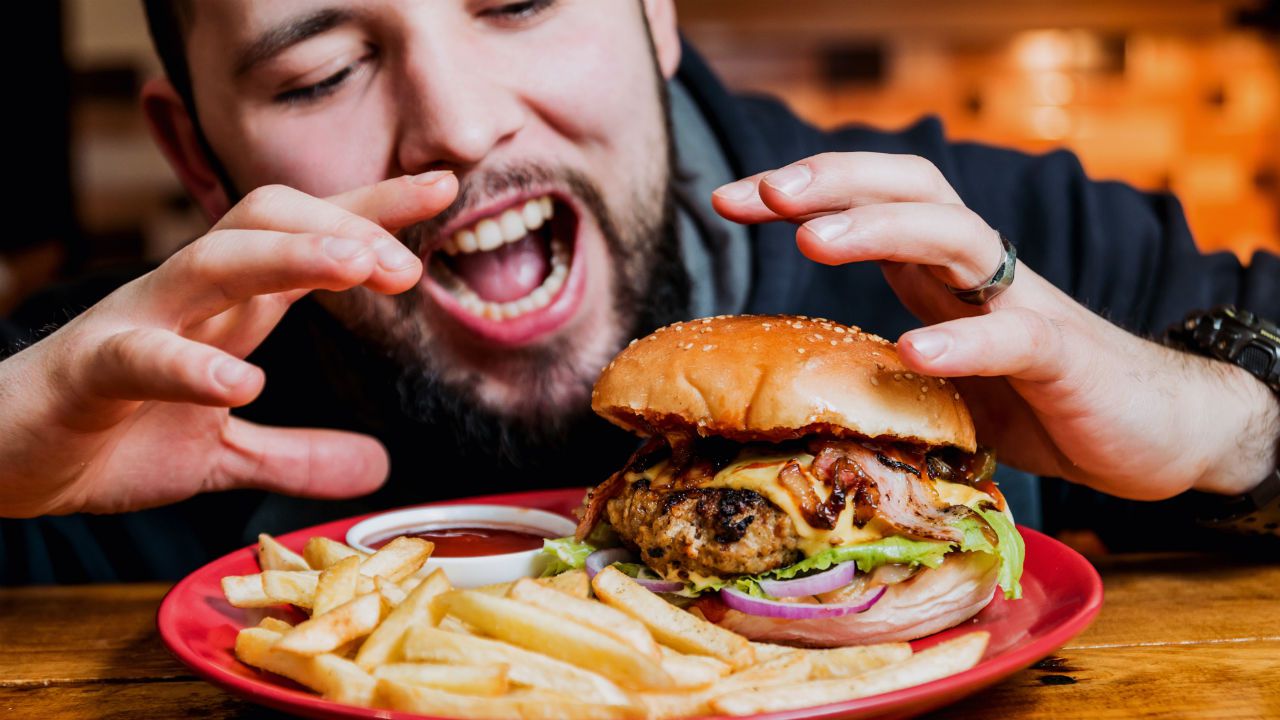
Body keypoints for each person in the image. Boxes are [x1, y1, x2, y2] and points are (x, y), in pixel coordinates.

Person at [1, 0, 1276, 583]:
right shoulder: (89, 408)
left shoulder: (986, 260)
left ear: (656, 13)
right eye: (322, 71)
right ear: (194, 153)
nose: (458, 122)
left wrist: (1220, 425)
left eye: (516, 2)